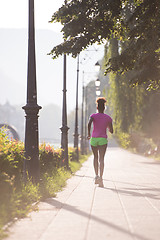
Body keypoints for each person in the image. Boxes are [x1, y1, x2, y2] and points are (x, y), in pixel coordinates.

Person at [87, 97, 113, 187]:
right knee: (101, 159)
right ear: (104, 108)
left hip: (94, 139)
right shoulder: (108, 118)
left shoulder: (93, 116)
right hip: (103, 140)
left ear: (97, 107)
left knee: (95, 158)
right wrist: (108, 127)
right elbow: (111, 130)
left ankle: (96, 176)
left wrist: (88, 134)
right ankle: (101, 178)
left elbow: (89, 123)